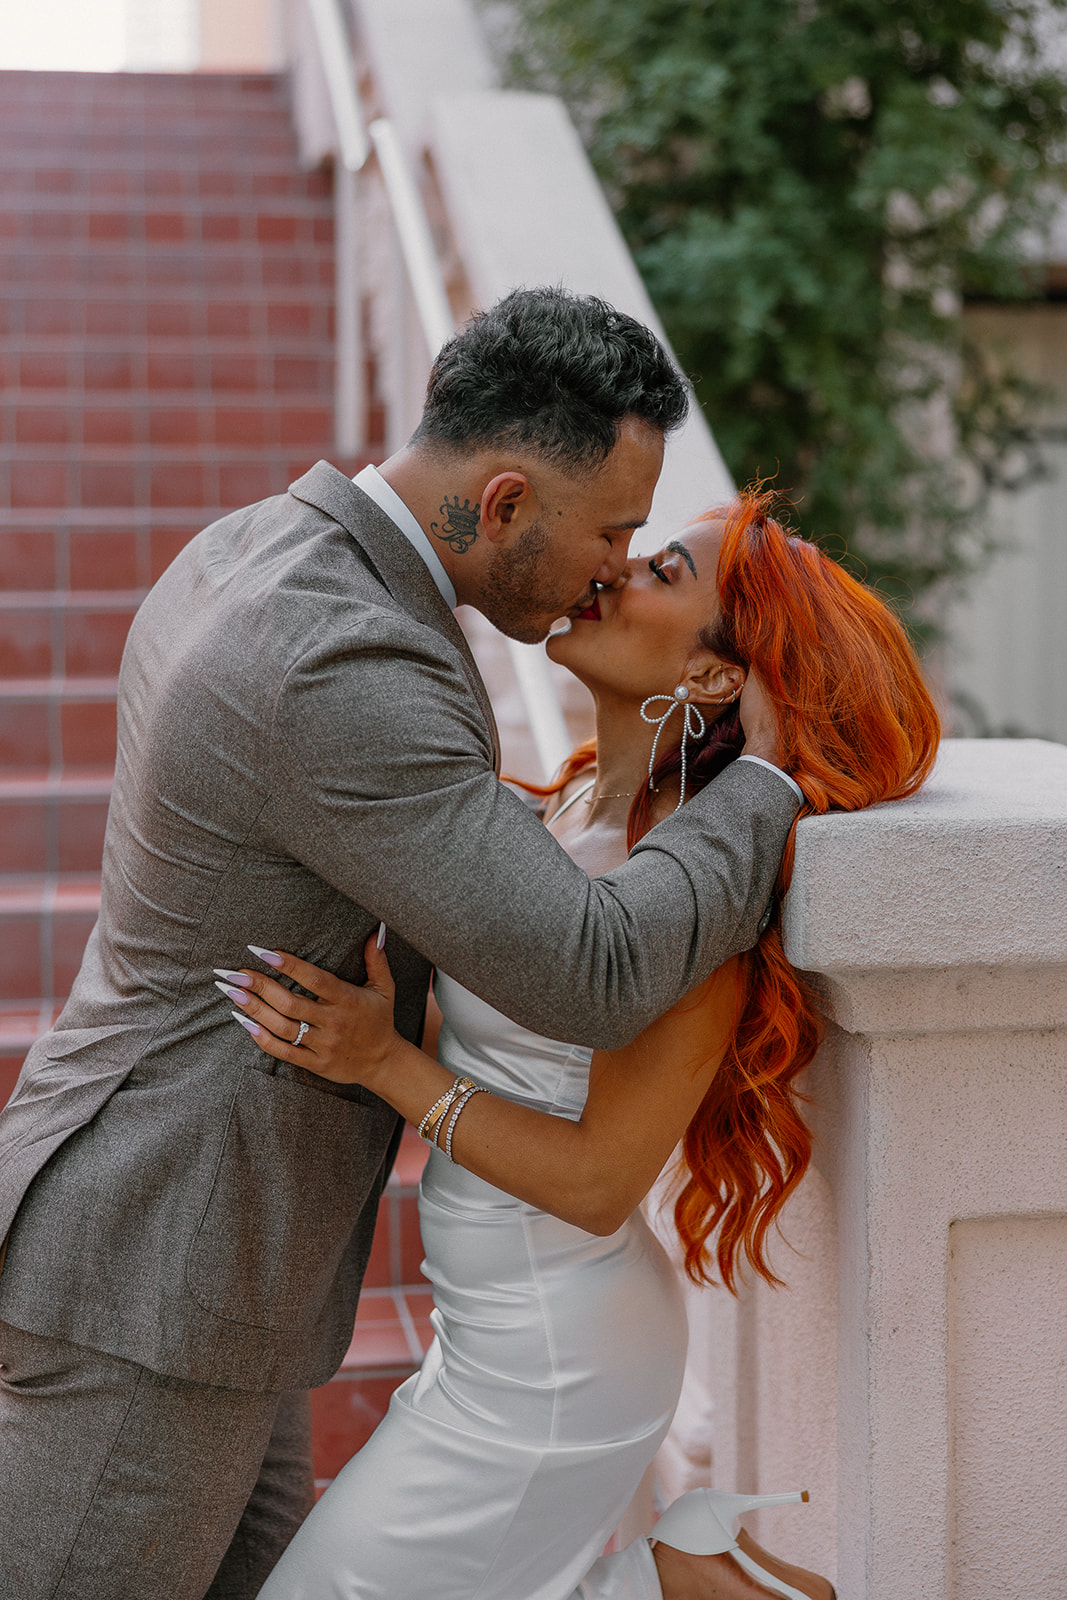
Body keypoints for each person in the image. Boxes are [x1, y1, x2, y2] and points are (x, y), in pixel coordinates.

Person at [0, 289, 804, 1600]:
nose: (610, 567)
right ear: (500, 505)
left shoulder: (261, 546)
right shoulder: (338, 663)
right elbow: (587, 970)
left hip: (210, 1254)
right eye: (609, 533)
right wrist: (767, 782)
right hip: (162, 1259)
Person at [221, 490, 941, 1600]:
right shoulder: (557, 819)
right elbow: (506, 1038)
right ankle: (678, 1579)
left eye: (662, 573)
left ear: (711, 679)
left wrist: (382, 1063)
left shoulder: (690, 905)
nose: (612, 571)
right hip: (494, 1329)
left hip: (556, 1358)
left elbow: (603, 1178)